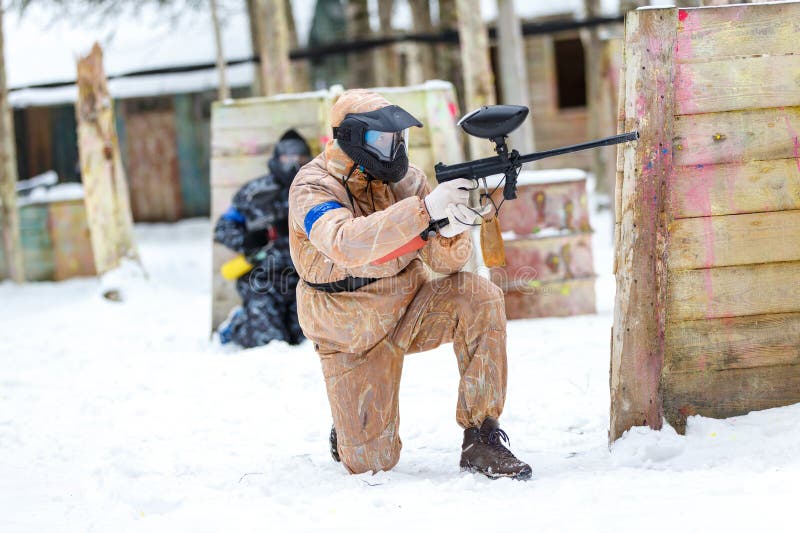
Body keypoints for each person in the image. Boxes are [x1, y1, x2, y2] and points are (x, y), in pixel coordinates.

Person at [288, 89, 532, 480]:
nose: (395, 148)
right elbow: (345, 244)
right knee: (372, 463)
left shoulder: (407, 181)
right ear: (351, 137)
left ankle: (481, 439)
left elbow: (443, 263)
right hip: (350, 331)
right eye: (383, 139)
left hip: (408, 309)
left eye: (399, 138)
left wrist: (453, 229)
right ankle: (349, 422)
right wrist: (425, 212)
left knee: (479, 295)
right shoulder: (313, 187)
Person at [214, 129, 312, 348]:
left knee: (308, 341)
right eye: (288, 157)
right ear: (277, 158)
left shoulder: (319, 190)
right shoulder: (254, 193)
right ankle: (240, 323)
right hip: (264, 280)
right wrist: (248, 240)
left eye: (300, 158)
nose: (294, 163)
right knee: (268, 342)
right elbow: (223, 227)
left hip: (306, 281)